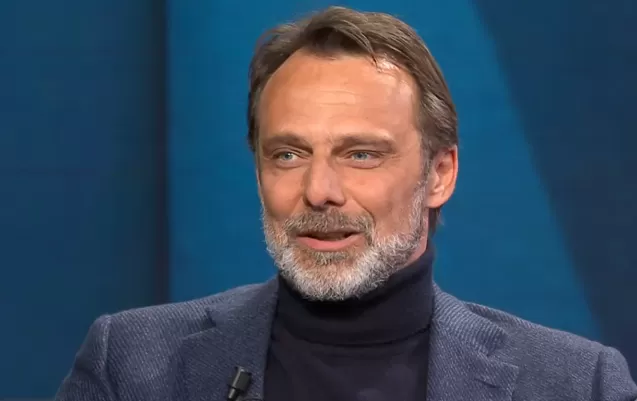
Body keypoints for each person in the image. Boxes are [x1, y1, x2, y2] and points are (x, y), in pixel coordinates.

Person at [56, 6, 636, 401]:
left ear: (440, 174)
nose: (319, 190)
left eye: (361, 154)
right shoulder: (132, 367)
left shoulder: (577, 385)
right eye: (288, 154)